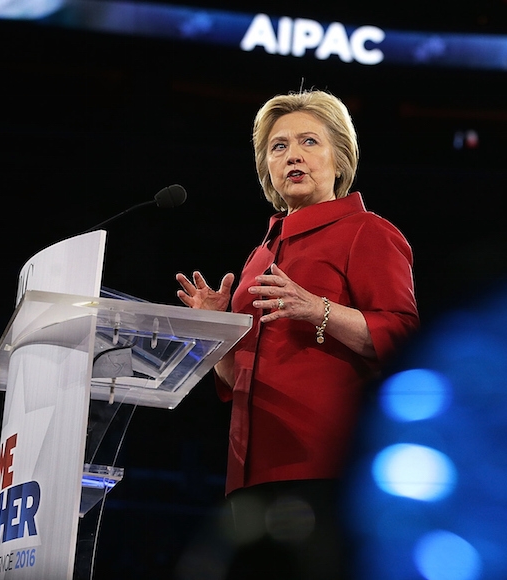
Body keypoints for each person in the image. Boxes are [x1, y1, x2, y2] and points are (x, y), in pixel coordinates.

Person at [175, 89, 419, 579]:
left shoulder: (367, 232)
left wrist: (317, 309)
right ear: (267, 167)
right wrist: (214, 332)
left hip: (324, 467)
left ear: (339, 157)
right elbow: (233, 375)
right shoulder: (258, 257)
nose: (293, 155)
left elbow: (403, 336)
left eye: (310, 141)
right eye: (278, 146)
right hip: (248, 475)